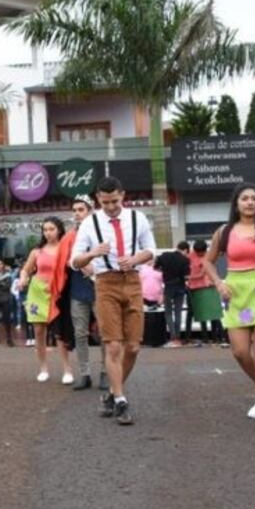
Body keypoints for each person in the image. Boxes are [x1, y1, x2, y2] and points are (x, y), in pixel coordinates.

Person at [72, 176, 156, 425]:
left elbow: (151, 249)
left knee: (133, 347)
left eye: (114, 201)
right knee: (113, 345)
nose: (110, 206)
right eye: (105, 202)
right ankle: (120, 399)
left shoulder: (137, 218)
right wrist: (92, 254)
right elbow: (74, 261)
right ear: (98, 198)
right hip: (105, 283)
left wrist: (135, 259)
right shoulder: (89, 223)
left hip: (132, 281)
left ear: (123, 195)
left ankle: (111, 393)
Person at [202, 182, 255, 419]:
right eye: (245, 198)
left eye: (254, 199)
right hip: (235, 290)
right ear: (236, 204)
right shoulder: (224, 231)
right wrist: (219, 283)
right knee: (239, 351)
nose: (250, 202)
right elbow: (208, 261)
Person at [19, 217, 73, 383]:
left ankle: (67, 370)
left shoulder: (66, 249)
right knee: (39, 332)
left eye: (51, 229)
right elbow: (26, 270)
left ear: (59, 230)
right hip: (37, 292)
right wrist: (23, 279)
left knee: (59, 333)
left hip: (57, 292)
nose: (48, 233)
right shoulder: (37, 251)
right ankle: (43, 368)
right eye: (45, 230)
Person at [63, 197, 105, 391]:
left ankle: (106, 373)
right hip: (78, 290)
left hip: (100, 287)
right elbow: (64, 260)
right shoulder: (70, 236)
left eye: (81, 209)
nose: (77, 213)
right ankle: (85, 374)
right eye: (75, 210)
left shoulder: (101, 230)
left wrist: (93, 266)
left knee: (105, 333)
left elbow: (110, 254)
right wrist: (80, 263)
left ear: (90, 210)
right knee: (80, 334)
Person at [186, 239, 225, 346]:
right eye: (197, 252)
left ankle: (218, 337)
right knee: (201, 314)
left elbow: (203, 273)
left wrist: (188, 277)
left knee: (214, 314)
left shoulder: (209, 256)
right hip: (195, 288)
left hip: (209, 287)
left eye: (201, 252)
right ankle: (205, 338)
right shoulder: (190, 256)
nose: (199, 254)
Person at [156, 242, 191, 347]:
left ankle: (172, 336)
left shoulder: (164, 256)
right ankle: (178, 337)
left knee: (168, 312)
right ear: (185, 250)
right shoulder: (185, 260)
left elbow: (156, 267)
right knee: (178, 312)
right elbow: (186, 277)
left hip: (168, 286)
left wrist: (165, 272)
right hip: (180, 287)